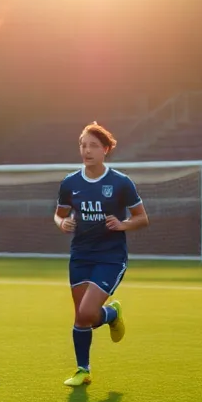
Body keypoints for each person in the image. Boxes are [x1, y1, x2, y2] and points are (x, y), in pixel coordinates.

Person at [54, 123, 149, 387]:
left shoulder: (120, 182)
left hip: (110, 257)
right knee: (81, 316)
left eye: (93, 145)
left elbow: (142, 217)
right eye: (83, 145)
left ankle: (109, 315)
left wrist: (123, 224)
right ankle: (83, 370)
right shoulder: (70, 183)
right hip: (80, 255)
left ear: (105, 149)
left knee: (86, 312)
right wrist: (61, 224)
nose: (87, 150)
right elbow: (58, 214)